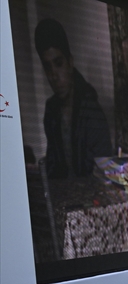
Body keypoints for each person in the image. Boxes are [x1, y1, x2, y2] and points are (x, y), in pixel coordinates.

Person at [34, 18, 112, 179]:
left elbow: (102, 173)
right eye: (47, 67)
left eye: (59, 63)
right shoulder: (51, 110)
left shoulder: (91, 111)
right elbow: (53, 166)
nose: (54, 76)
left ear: (70, 63)